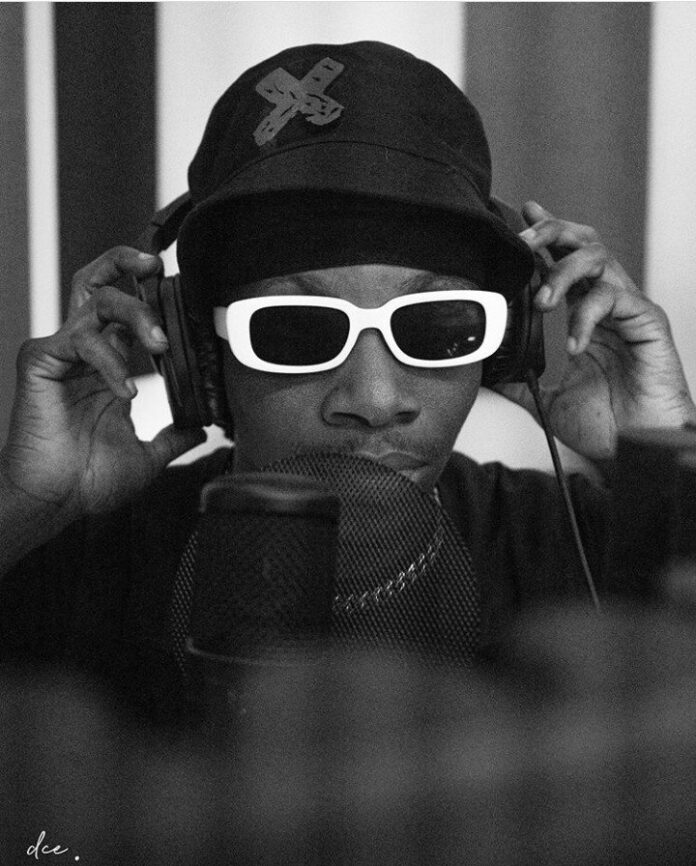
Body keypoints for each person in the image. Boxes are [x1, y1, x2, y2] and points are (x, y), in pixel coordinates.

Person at [0, 41, 694, 720]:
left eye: (436, 325)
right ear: (198, 357)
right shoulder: (75, 557)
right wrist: (25, 508)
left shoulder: (586, 545)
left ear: (510, 342)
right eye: (295, 329)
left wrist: (662, 458)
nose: (374, 400)